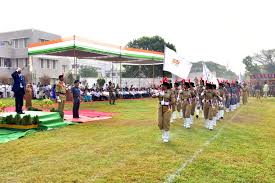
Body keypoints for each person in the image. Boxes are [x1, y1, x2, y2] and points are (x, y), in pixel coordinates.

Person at [152, 77, 175, 143]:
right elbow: (153, 96)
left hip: (167, 109)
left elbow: (173, 101)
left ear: (166, 86)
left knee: (166, 123)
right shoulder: (160, 92)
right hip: (160, 108)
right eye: (162, 85)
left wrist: (166, 103)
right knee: (160, 123)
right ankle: (163, 133)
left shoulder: (170, 92)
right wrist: (158, 94)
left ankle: (166, 137)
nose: (162, 86)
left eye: (163, 85)